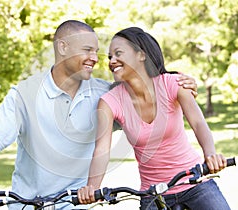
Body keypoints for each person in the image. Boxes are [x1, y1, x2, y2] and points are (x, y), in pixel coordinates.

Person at [0, 21, 197, 210]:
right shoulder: (25, 94)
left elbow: (150, 91)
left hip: (75, 203)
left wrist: (181, 82)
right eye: (88, 50)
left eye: (96, 51)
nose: (95, 58)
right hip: (27, 203)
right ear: (63, 47)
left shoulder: (107, 94)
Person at [77, 27, 230, 210]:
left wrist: (210, 154)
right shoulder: (110, 102)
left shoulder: (172, 84)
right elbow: (102, 149)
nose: (112, 61)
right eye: (110, 57)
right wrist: (92, 187)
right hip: (152, 195)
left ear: (141, 55)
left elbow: (198, 123)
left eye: (118, 53)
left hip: (194, 184)